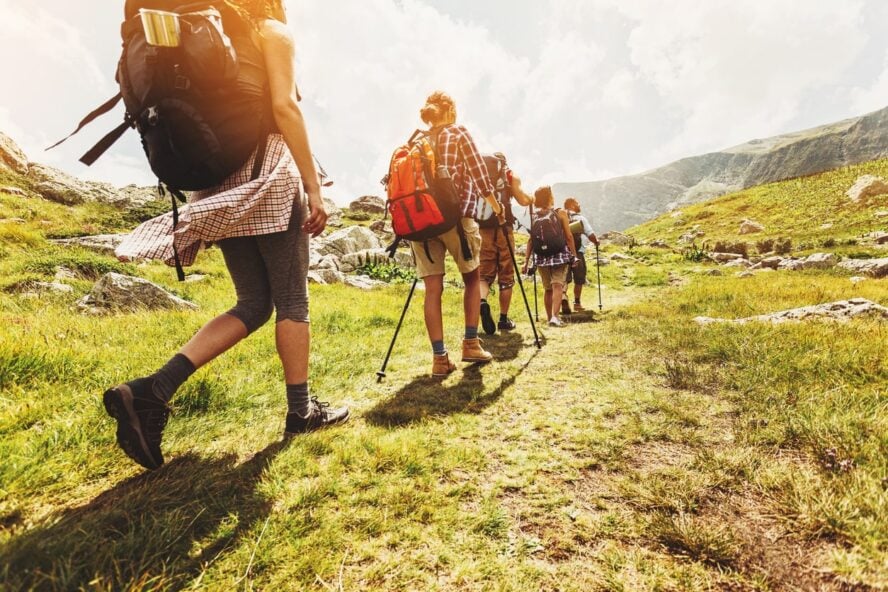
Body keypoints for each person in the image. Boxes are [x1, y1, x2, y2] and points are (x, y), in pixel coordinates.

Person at [106, 0, 348, 471]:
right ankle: (301, 411)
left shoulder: (202, 34)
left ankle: (152, 390)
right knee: (292, 301)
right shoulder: (270, 32)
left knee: (253, 303)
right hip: (267, 176)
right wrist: (313, 187)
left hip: (215, 186)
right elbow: (285, 106)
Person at [412, 91, 503, 377]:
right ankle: (470, 344)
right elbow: (480, 175)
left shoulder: (416, 140)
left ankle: (440, 359)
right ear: (449, 110)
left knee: (432, 290)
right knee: (472, 279)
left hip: (421, 223)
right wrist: (496, 207)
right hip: (455, 218)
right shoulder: (458, 132)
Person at [478, 154, 533, 334]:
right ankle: (503, 318)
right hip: (504, 226)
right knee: (506, 272)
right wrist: (531, 198)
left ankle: (482, 301)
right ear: (503, 163)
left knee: (484, 273)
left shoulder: (480, 174)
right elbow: (523, 200)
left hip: (483, 227)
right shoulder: (510, 175)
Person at [522, 186, 577, 327]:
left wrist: (526, 261)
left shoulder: (534, 215)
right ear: (550, 197)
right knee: (558, 285)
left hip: (541, 257)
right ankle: (555, 317)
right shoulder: (561, 213)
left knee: (548, 289)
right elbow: (569, 236)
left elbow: (531, 240)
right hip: (559, 255)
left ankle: (548, 318)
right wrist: (574, 256)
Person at [563, 198, 599, 312]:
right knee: (579, 278)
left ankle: (563, 297)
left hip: (563, 253)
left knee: (564, 278)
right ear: (572, 205)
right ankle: (577, 303)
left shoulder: (561, 218)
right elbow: (590, 233)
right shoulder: (580, 218)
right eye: (577, 203)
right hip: (577, 252)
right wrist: (596, 242)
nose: (579, 205)